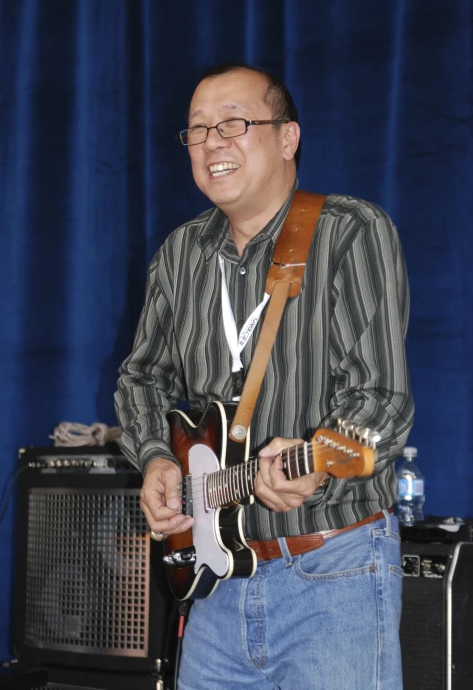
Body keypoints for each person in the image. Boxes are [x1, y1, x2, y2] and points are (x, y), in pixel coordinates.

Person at [115, 63, 414, 690]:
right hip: (218, 584)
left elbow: (383, 403)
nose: (212, 142)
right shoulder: (179, 254)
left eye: (234, 123)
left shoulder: (349, 231)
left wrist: (319, 462)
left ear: (288, 137)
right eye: (197, 130)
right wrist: (155, 461)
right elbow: (140, 378)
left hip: (334, 573)